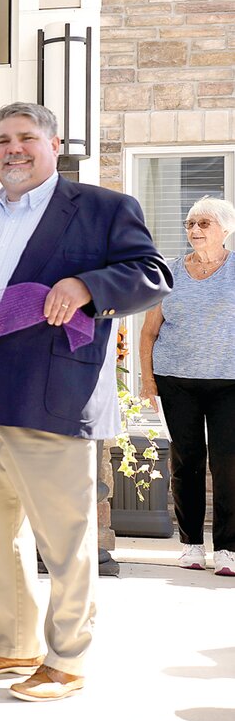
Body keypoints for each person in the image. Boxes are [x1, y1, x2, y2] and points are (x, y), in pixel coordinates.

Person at [0, 101, 171, 701]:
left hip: (54, 399)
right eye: (2, 140)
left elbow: (152, 274)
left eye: (24, 138)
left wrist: (86, 286)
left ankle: (67, 659)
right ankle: (6, 643)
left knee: (64, 541)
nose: (12, 149)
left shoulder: (101, 209)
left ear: (54, 143)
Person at [138, 196, 235, 576]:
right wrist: (148, 380)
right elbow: (148, 333)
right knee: (186, 461)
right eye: (190, 224)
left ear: (225, 229)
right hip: (177, 380)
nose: (195, 230)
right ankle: (192, 544)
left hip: (229, 382)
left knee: (228, 463)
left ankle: (227, 548)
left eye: (204, 223)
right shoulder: (170, 272)